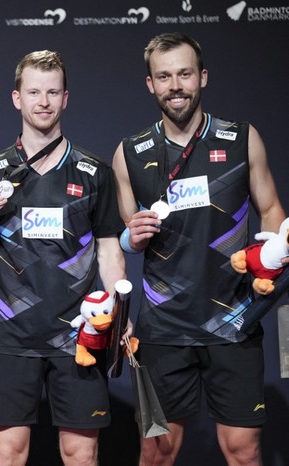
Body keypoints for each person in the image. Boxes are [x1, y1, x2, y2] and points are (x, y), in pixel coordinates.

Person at [112, 32, 286, 466]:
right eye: (164, 76)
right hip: (164, 329)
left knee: (243, 452)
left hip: (234, 321)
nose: (176, 85)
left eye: (185, 74)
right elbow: (120, 240)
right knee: (157, 454)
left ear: (202, 77)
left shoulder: (242, 138)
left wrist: (269, 264)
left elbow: (271, 214)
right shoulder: (129, 153)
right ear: (150, 85)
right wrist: (129, 238)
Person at [0, 50, 126, 466]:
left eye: (52, 92)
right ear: (17, 98)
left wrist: (119, 314)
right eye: (34, 92)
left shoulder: (93, 171)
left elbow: (108, 247)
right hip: (12, 337)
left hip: (79, 336)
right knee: (9, 453)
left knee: (80, 454)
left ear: (65, 98)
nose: (43, 102)